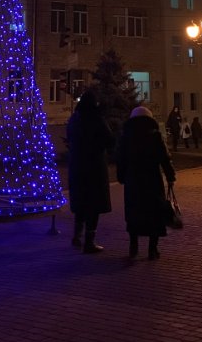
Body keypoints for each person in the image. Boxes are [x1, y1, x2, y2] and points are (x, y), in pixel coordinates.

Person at [116, 105, 176, 260]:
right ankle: (152, 249)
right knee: (154, 214)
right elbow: (164, 158)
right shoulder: (155, 136)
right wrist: (170, 177)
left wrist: (121, 176)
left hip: (133, 181)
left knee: (133, 213)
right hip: (152, 181)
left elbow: (121, 159)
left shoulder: (127, 136)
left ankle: (133, 248)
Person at [66, 88, 115, 254]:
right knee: (93, 205)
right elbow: (109, 140)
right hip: (94, 168)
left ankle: (77, 236)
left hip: (77, 166)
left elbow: (69, 138)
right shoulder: (97, 119)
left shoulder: (74, 119)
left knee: (81, 203)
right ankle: (89, 241)